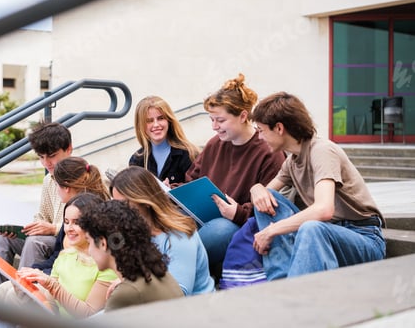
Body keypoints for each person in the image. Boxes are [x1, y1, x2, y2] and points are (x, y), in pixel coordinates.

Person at [249, 91, 386, 280]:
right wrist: (256, 188)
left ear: (279, 128)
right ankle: (280, 279)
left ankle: (292, 292)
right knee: (265, 202)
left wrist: (271, 230)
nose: (259, 137)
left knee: (312, 228)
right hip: (327, 234)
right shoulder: (292, 161)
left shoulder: (322, 150)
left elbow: (324, 210)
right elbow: (266, 194)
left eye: (261, 130)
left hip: (363, 238)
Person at [0, 121, 72, 328]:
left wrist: (53, 228)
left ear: (69, 149)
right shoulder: (49, 180)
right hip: (48, 238)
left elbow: (88, 224)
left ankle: (22, 300)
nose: (47, 162)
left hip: (66, 243)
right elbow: (42, 215)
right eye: (41, 157)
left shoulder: (83, 175)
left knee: (36, 240)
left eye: (52, 155)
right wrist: (20, 228)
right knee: (2, 238)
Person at [184, 73, 286, 279]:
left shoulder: (269, 150)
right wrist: (170, 190)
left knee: (222, 229)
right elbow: (192, 180)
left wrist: (238, 213)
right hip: (204, 218)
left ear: (242, 116)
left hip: (238, 226)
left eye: (220, 120)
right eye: (212, 120)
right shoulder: (215, 143)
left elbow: (274, 208)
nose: (214, 126)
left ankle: (177, 274)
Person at [0, 193, 118, 328]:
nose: (69, 229)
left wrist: (51, 285)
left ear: (95, 224)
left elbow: (88, 315)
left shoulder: (107, 263)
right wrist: (24, 292)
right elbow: (52, 303)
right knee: (10, 294)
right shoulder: (66, 255)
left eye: (76, 222)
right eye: (66, 222)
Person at [110, 166, 215, 295]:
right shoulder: (135, 235)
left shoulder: (178, 235)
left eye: (125, 204)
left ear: (145, 200)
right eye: (116, 205)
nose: (119, 211)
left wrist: (129, 285)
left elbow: (177, 293)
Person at [79, 199, 184, 311]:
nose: (89, 250)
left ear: (103, 243)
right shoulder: (158, 273)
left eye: (89, 242)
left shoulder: (125, 295)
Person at [31, 156, 110, 275]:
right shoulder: (72, 210)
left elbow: (74, 268)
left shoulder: (89, 214)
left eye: (57, 185)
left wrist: (41, 275)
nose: (56, 190)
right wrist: (34, 269)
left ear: (66, 187)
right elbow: (56, 258)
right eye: (67, 222)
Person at [129, 95, 200, 185]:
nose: (156, 124)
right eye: (149, 121)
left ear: (169, 120)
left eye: (161, 118)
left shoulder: (189, 153)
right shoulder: (136, 160)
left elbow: (197, 191)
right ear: (140, 126)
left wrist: (172, 190)